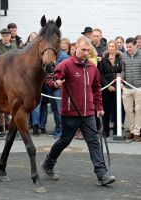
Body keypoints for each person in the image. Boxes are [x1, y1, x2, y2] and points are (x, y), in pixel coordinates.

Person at [42, 36, 116, 186]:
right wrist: (55, 83)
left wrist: (99, 108)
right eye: (83, 49)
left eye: (88, 50)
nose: (86, 52)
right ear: (76, 48)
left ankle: (102, 174)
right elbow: (49, 80)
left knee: (94, 141)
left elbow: (96, 89)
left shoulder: (92, 67)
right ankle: (48, 164)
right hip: (70, 112)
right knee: (64, 141)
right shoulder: (65, 65)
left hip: (88, 112)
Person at [98, 40, 123, 137]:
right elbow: (101, 75)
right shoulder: (103, 60)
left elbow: (121, 73)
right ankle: (105, 131)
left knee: (117, 109)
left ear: (116, 48)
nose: (111, 48)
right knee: (106, 110)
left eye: (113, 46)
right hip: (106, 88)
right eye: (109, 46)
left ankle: (117, 131)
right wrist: (108, 86)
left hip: (117, 88)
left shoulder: (119, 60)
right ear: (107, 48)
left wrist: (117, 85)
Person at [0, 28, 13, 134]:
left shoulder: (14, 46)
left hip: (13, 77)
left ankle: (8, 124)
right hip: (2, 76)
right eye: (3, 36)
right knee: (1, 101)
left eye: (7, 35)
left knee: (10, 102)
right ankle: (1, 126)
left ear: (10, 36)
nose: (5, 37)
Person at [122, 37, 141, 142]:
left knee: (139, 110)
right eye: (127, 46)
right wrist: (122, 84)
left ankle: (137, 133)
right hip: (127, 88)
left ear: (135, 45)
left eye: (130, 46)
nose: (128, 48)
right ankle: (132, 130)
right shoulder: (124, 56)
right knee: (128, 110)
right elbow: (123, 70)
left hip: (139, 88)